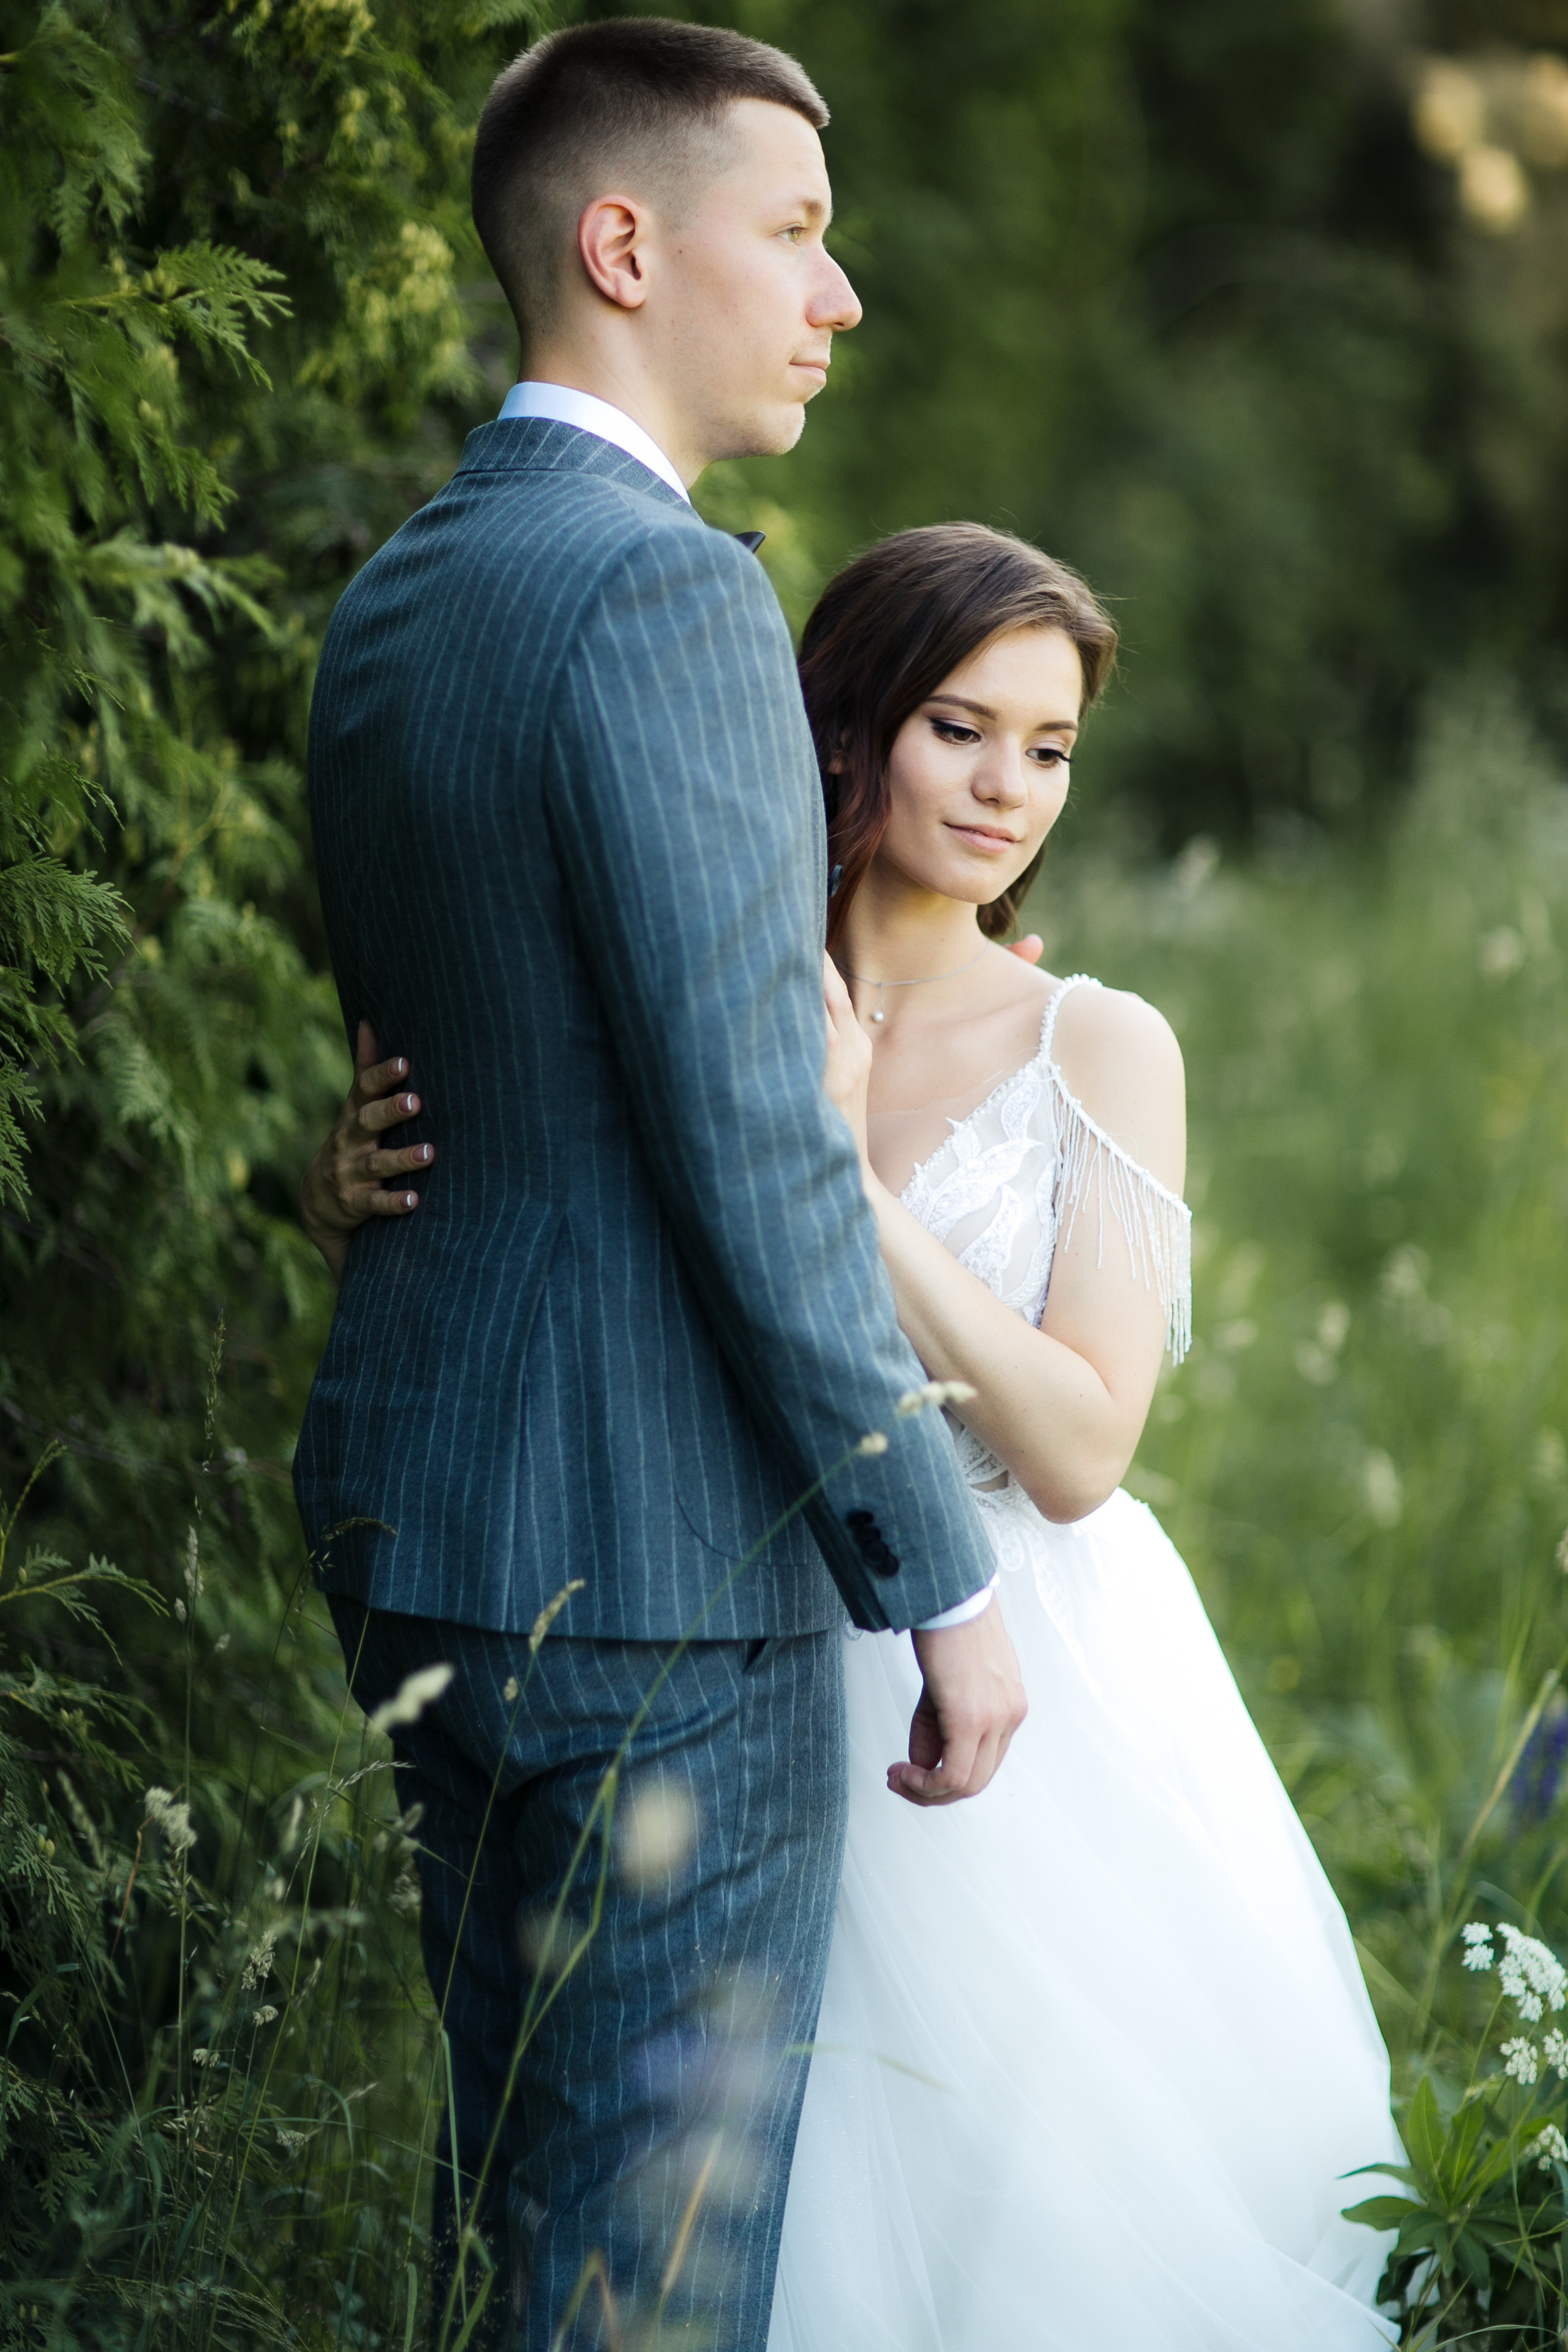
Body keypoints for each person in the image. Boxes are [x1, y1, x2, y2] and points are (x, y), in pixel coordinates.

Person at [310, 522, 1405, 2349]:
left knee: (1003, 2212)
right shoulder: (711, 992)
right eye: (960, 729)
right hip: (730, 1628)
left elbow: (1080, 1444)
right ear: (848, 730)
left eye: (1048, 749)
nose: (1006, 789)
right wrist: (337, 1195)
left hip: (1015, 1677)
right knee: (701, 2197)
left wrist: (844, 1187)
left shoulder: (1097, 1041)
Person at [293, 19, 1023, 2351]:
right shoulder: (675, 594)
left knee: (504, 2219)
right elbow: (754, 1146)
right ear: (625, 244)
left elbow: (456, 1056)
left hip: (420, 1525)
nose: (839, 294)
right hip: (654, 1580)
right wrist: (938, 1564)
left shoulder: (398, 599)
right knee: (644, 2281)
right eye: (796, 233)